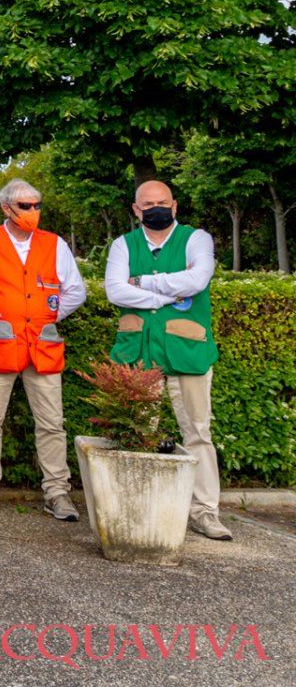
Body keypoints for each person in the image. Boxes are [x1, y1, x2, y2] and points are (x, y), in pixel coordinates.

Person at [106, 180, 230, 541]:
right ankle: (136, 510)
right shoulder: (122, 244)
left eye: (162, 202)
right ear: (136, 210)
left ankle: (205, 512)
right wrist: (164, 295)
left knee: (198, 433)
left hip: (187, 351)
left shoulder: (197, 239)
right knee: (138, 435)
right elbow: (115, 290)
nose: (155, 208)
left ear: (174, 206)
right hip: (138, 353)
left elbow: (197, 279)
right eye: (147, 204)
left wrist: (144, 282)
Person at [0, 178, 86, 521]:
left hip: (43, 347)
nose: (33, 211)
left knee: (52, 424)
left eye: (37, 205)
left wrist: (44, 318)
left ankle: (57, 492)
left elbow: (75, 291)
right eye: (25, 206)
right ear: (6, 208)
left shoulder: (55, 244)